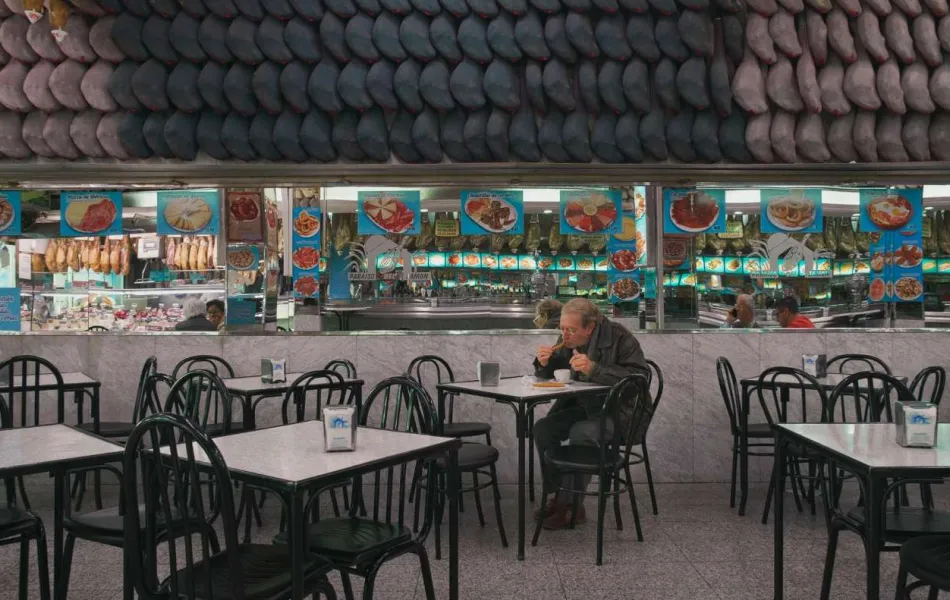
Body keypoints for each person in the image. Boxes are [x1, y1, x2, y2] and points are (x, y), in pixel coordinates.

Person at [532, 298, 651, 530]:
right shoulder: (568, 339)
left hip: (622, 414)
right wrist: (544, 363)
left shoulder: (619, 337)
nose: (565, 335)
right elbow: (558, 370)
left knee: (581, 432)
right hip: (587, 407)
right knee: (543, 428)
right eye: (562, 329)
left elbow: (640, 379)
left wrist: (593, 369)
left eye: (571, 330)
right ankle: (559, 495)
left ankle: (572, 505)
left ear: (590, 327)